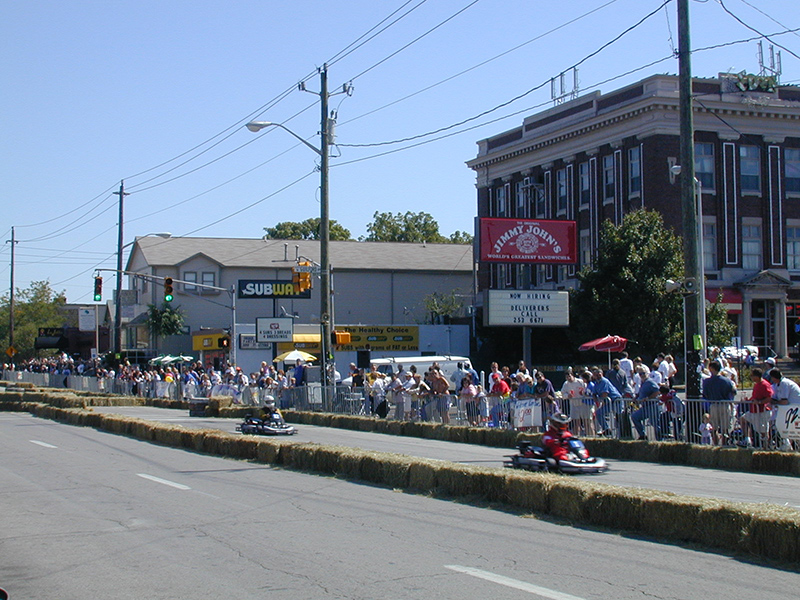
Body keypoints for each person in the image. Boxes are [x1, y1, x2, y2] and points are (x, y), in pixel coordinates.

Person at [701, 360, 736, 445]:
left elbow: (705, 394)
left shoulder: (707, 382)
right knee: (725, 428)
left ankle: (716, 444)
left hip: (713, 404)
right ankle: (724, 445)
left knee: (713, 428)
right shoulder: (727, 381)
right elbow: (733, 392)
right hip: (725, 404)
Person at [738, 367, 772, 448]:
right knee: (743, 419)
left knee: (763, 431)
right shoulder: (756, 384)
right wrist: (747, 400)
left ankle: (766, 446)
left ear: (757, 376)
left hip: (762, 411)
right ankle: (747, 439)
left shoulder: (765, 384)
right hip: (754, 411)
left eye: (752, 375)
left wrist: (760, 402)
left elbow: (769, 398)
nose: (751, 377)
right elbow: (755, 397)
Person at [590, 366, 622, 436]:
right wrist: (596, 399)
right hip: (608, 402)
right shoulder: (596, 383)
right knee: (598, 413)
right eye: (596, 375)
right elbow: (594, 394)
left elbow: (605, 394)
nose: (598, 376)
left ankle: (622, 433)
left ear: (602, 374)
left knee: (619, 417)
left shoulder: (604, 381)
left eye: (599, 374)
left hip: (616, 401)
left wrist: (601, 400)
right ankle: (607, 429)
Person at [631, 371, 662, 441]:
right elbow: (640, 393)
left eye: (643, 373)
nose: (642, 375)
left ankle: (660, 439)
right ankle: (642, 435)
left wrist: (648, 398)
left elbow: (657, 391)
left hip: (652, 406)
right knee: (634, 417)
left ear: (647, 373)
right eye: (640, 374)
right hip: (645, 407)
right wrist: (636, 398)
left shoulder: (650, 382)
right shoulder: (643, 383)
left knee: (655, 424)